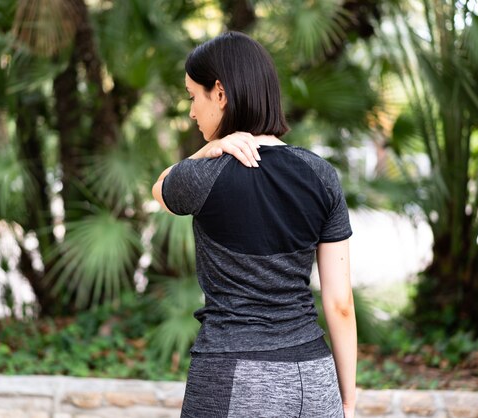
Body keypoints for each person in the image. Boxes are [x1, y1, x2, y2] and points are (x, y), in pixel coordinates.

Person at [152, 31, 356, 418]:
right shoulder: (321, 175)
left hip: (233, 373)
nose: (192, 112)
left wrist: (206, 151)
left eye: (193, 97)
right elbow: (340, 304)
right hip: (314, 378)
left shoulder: (204, 175)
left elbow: (160, 189)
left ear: (220, 93)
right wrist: (345, 400)